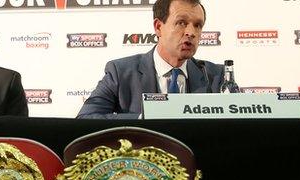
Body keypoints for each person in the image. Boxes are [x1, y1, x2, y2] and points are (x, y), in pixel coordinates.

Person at [76, 0, 223, 119]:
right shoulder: (121, 72)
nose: (191, 32)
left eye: (198, 25)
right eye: (181, 23)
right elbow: (85, 118)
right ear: (158, 27)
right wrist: (143, 120)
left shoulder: (216, 76)